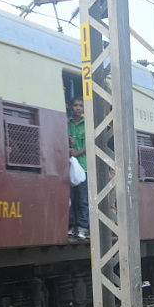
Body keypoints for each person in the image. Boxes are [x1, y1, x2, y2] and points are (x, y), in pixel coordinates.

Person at [67, 97, 89, 240]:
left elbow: (89, 144)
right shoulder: (66, 122)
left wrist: (76, 152)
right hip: (69, 165)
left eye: (80, 105)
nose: (78, 108)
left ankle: (82, 227)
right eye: (75, 105)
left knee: (82, 198)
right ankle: (72, 225)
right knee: (71, 198)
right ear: (70, 106)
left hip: (83, 166)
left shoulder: (86, 124)